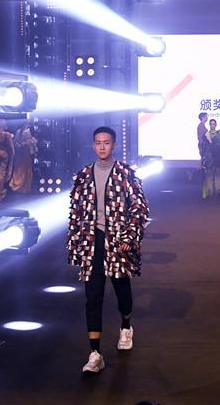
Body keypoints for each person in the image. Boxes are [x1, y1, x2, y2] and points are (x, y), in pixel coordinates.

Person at [67, 126, 150, 374]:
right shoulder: (83, 175)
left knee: (121, 286)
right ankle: (95, 353)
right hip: (92, 241)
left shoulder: (125, 173)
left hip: (117, 240)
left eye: (106, 142)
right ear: (93, 145)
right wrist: (76, 243)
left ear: (113, 145)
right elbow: (75, 212)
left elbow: (140, 207)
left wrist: (129, 236)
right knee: (93, 295)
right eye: (98, 142)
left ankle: (126, 326)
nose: (102, 147)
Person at [10, 120, 37, 194]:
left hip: (23, 153)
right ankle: (23, 187)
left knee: (22, 168)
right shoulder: (25, 132)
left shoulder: (19, 131)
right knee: (24, 169)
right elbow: (29, 142)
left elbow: (16, 142)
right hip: (24, 152)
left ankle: (22, 186)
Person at [203, 119, 220, 199]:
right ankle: (209, 191)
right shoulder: (206, 135)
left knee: (218, 173)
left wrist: (210, 140)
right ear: (209, 125)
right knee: (209, 174)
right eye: (211, 124)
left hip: (218, 157)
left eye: (214, 124)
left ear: (216, 125)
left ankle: (218, 191)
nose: (212, 125)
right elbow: (205, 147)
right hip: (209, 157)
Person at [0, 119, 15, 201]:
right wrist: (13, 155)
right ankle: (0, 191)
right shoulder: (7, 135)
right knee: (3, 173)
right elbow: (11, 147)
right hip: (4, 155)